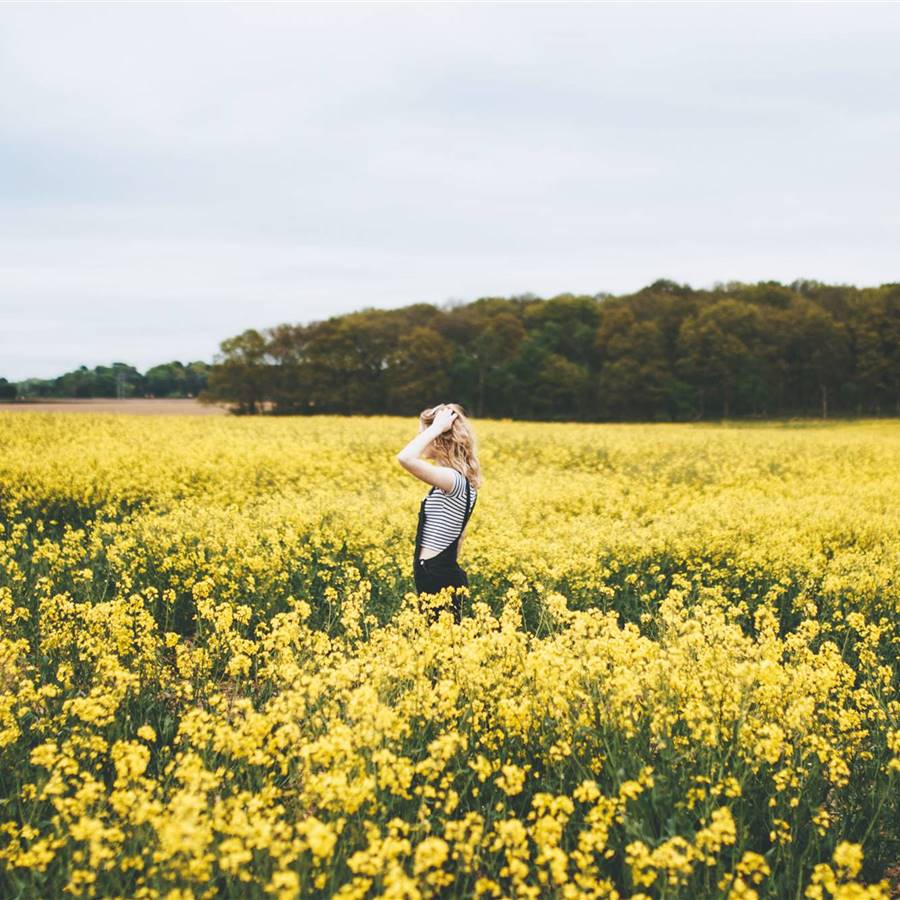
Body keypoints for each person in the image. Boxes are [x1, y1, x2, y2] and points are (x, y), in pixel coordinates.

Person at [395, 402, 482, 623]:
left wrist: (435, 428)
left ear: (440, 437)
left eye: (422, 432)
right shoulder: (457, 481)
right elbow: (459, 537)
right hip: (438, 573)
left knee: (444, 647)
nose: (418, 437)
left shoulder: (452, 479)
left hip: (437, 575)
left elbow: (405, 458)